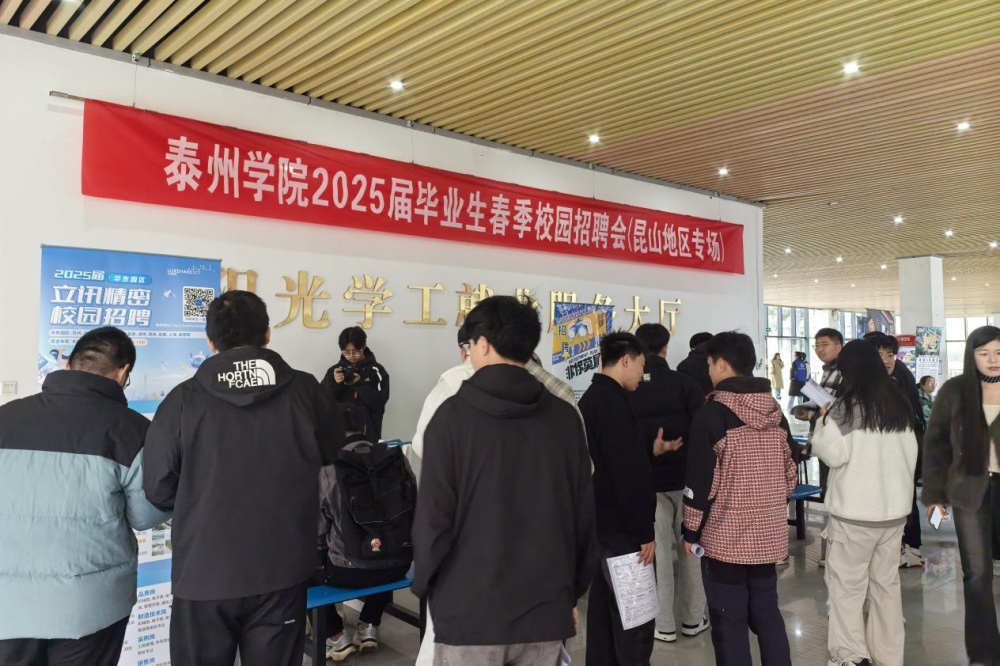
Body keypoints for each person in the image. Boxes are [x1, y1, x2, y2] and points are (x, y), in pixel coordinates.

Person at [144, 290, 344, 666]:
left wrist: (197, 499)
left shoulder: (183, 400)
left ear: (210, 340)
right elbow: (332, 452)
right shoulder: (306, 391)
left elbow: (157, 487)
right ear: (267, 333)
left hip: (204, 569)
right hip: (282, 567)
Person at [413, 296, 598, 664]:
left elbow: (433, 520)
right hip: (545, 612)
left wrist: (428, 587)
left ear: (482, 344)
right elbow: (583, 517)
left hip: (469, 614)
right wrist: (569, 594)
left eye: (470, 345)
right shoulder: (564, 418)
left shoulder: (450, 418)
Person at [0, 327, 170, 665]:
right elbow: (144, 515)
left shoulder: (5, 416)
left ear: (69, 365)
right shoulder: (132, 429)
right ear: (123, 372)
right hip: (88, 607)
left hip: (8, 605)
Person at [682, 331, 797, 666]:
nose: (708, 371)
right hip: (768, 539)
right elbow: (791, 473)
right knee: (768, 616)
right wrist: (768, 506)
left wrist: (690, 532)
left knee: (729, 623)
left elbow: (701, 483)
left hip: (725, 542)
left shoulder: (712, 414)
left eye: (709, 364)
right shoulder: (775, 414)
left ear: (721, 364)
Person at [810, 341, 918, 666]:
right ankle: (889, 656)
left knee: (847, 587)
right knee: (886, 586)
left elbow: (829, 453)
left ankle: (850, 656)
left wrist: (823, 420)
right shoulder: (899, 404)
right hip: (894, 514)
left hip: (855, 516)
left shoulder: (844, 408)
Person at [581, 331, 670, 666]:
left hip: (600, 524)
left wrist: (650, 450)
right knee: (635, 618)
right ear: (626, 360)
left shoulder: (591, 399)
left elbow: (607, 462)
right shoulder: (614, 404)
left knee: (603, 612)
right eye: (641, 366)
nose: (642, 374)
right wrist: (644, 532)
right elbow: (627, 474)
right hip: (623, 531)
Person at [923, 325, 1000, 665]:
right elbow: (936, 445)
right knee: (977, 574)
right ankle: (983, 653)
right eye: (984, 353)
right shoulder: (955, 391)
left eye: (999, 352)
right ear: (972, 356)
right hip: (971, 491)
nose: (992, 360)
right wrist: (934, 495)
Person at [318, 404, 415, 661]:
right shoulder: (396, 459)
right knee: (384, 548)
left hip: (347, 571)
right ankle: (369, 624)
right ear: (364, 427)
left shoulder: (329, 467)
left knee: (302, 574)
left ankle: (336, 636)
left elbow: (317, 529)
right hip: (399, 565)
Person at [630, 323, 708, 644]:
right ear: (665, 347)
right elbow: (702, 433)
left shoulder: (631, 386)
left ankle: (663, 624)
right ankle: (692, 619)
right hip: (686, 482)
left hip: (648, 484)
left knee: (658, 555)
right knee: (691, 550)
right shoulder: (685, 384)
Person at [865, 332, 927, 568]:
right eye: (879, 354)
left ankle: (909, 548)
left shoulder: (894, 380)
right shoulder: (879, 380)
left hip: (904, 450)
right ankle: (903, 547)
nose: (886, 360)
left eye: (889, 354)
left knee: (902, 497)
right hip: (899, 449)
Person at [794, 327, 845, 567]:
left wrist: (815, 413)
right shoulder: (827, 372)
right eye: (817, 345)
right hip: (826, 443)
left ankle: (838, 552)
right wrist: (809, 412)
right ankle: (833, 550)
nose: (819, 349)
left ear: (839, 346)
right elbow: (825, 405)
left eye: (825, 344)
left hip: (837, 443)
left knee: (837, 497)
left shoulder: (844, 373)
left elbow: (838, 410)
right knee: (830, 497)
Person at [410, 325, 474, 482]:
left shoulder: (446, 387)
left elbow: (422, 443)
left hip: (457, 481)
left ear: (463, 351)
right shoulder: (524, 381)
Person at [322, 326, 390, 440]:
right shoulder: (334, 371)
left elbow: (379, 404)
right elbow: (323, 403)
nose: (351, 356)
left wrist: (360, 384)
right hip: (338, 434)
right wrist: (335, 384)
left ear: (364, 346)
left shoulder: (376, 371)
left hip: (368, 435)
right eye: (346, 352)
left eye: (355, 351)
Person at [677, 331, 714, 395]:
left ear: (693, 348)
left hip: (694, 400)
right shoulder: (721, 361)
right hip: (721, 399)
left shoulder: (683, 365)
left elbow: (682, 391)